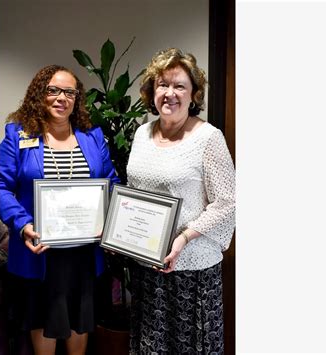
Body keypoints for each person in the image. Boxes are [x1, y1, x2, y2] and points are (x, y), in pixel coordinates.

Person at [0, 64, 119, 355]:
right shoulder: (18, 136)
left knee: (80, 323)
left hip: (83, 255)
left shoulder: (93, 138)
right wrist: (23, 224)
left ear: (76, 99)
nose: (61, 98)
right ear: (40, 94)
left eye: (69, 92)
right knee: (42, 324)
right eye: (53, 90)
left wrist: (112, 221)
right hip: (38, 252)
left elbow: (111, 183)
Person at [126, 48, 235, 354]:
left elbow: (227, 202)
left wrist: (184, 237)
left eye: (179, 86)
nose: (169, 93)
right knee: (151, 345)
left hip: (191, 269)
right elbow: (134, 191)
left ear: (193, 95)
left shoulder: (208, 138)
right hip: (147, 264)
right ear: (152, 91)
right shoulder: (141, 134)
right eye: (162, 84)